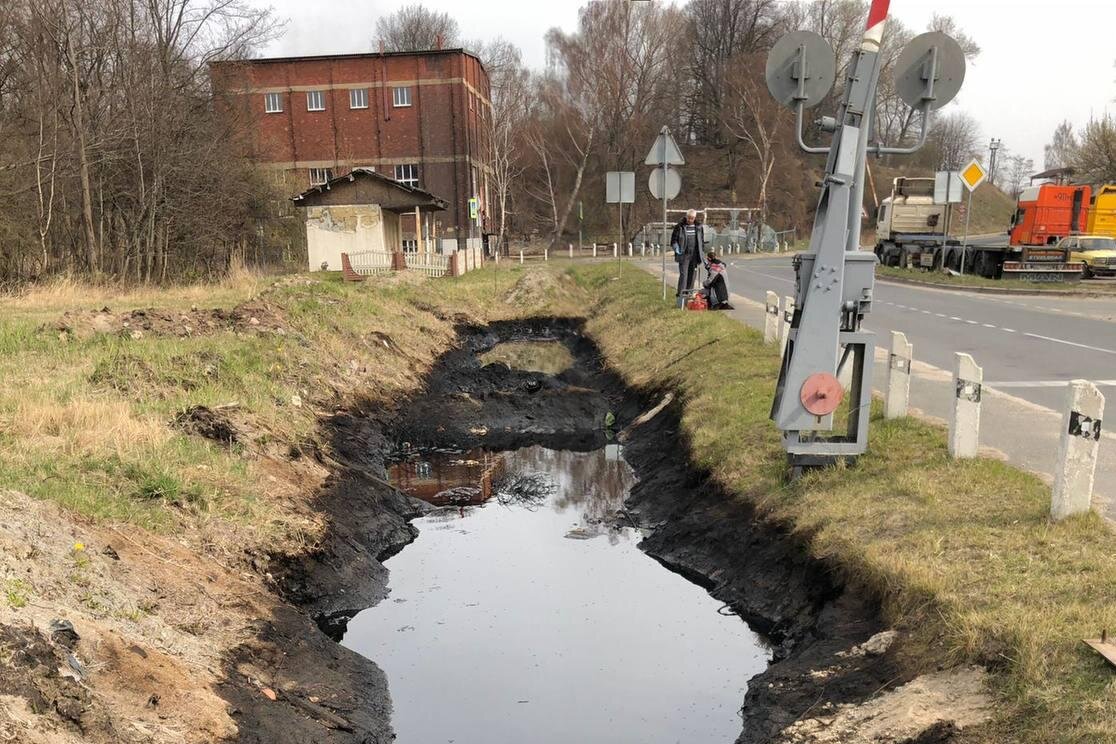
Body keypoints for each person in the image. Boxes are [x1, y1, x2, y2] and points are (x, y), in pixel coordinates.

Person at [670, 209, 704, 307]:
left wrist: (701, 254)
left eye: (692, 218)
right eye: (689, 218)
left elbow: (701, 241)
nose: (690, 220)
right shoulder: (679, 227)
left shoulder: (698, 227)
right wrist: (676, 247)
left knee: (692, 277)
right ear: (686, 216)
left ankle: (688, 301)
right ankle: (680, 301)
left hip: (694, 255)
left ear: (695, 218)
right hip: (683, 255)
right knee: (683, 277)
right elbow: (673, 240)